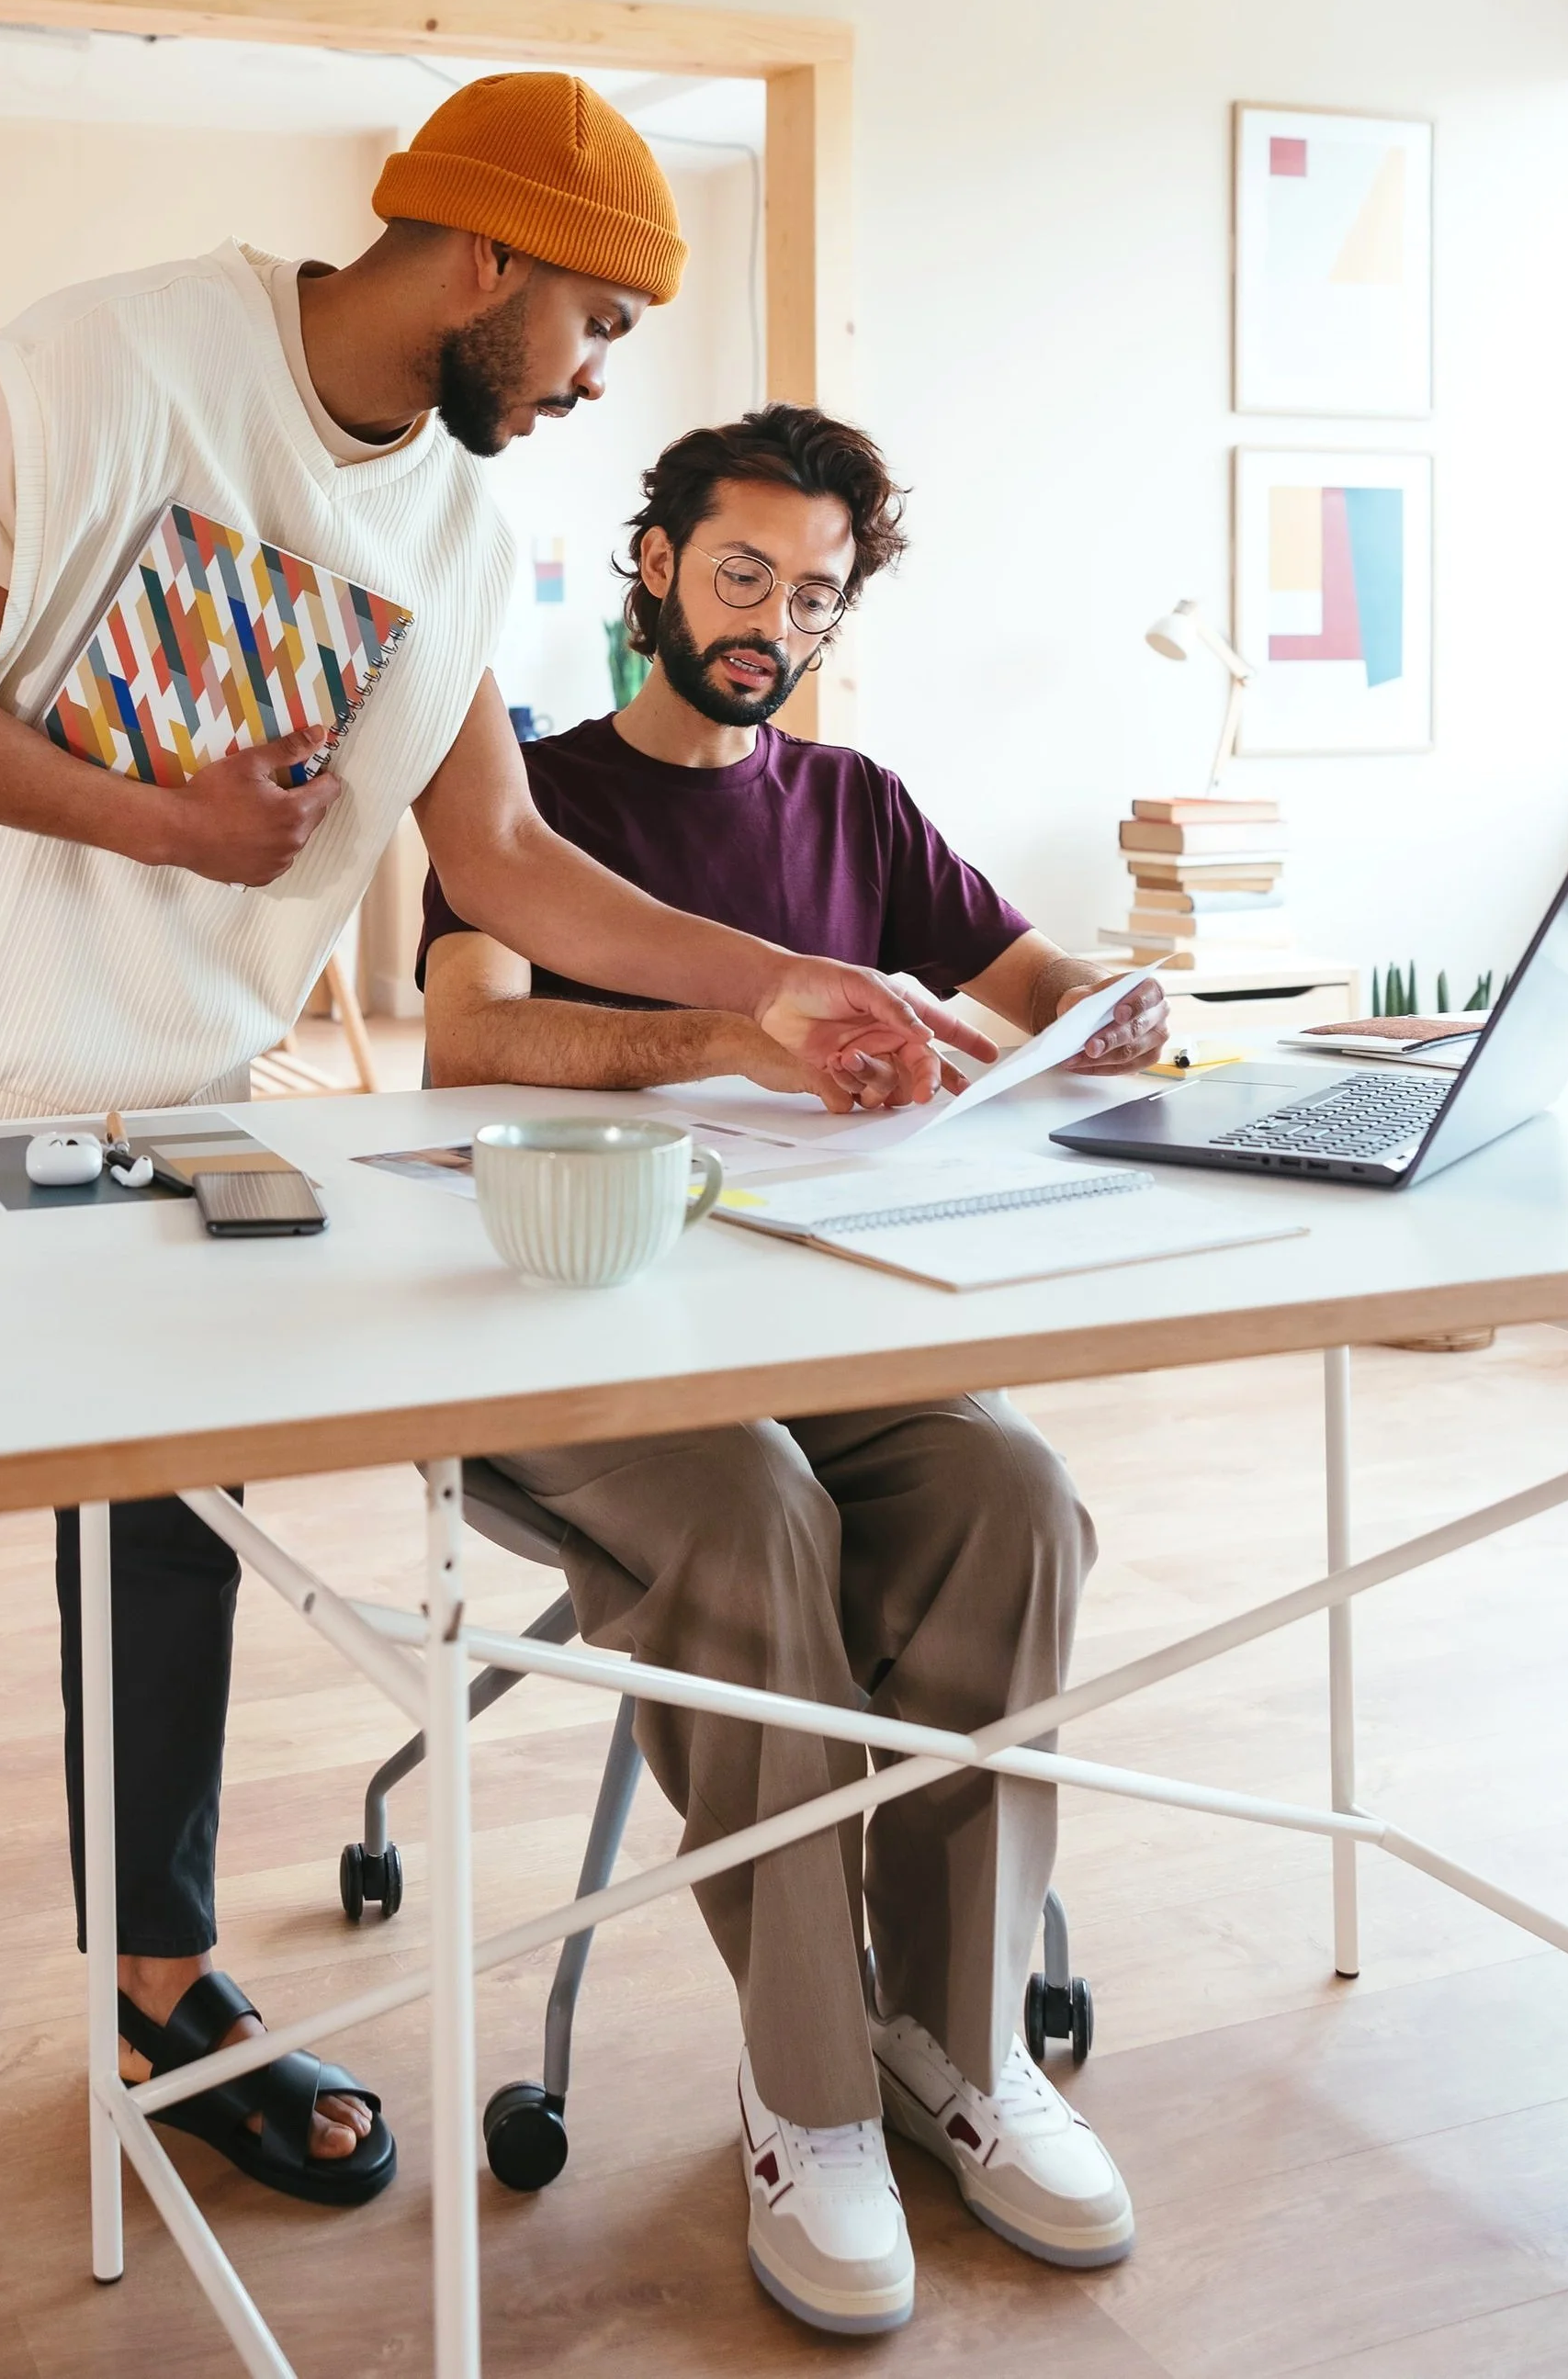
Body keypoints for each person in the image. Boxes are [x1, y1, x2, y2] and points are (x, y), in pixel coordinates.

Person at [0, 79, 991, 2193]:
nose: (601, 375)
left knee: (169, 1550)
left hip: (183, 1105)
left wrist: (760, 982)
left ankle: (162, 1972)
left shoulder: (450, 530)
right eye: (597, 323)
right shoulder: (102, 361)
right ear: (487, 258)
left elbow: (500, 856)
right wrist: (166, 819)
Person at [420, 402, 1166, 2336]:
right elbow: (465, 1048)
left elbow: (1025, 995)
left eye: (812, 594)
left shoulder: (856, 810)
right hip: (582, 1343)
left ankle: (957, 2044)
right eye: (739, 573)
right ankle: (809, 2102)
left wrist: (1113, 1009)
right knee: (750, 1508)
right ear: (651, 563)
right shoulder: (527, 803)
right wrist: (722, 1041)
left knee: (1006, 1492)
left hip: (829, 1322)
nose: (770, 621)